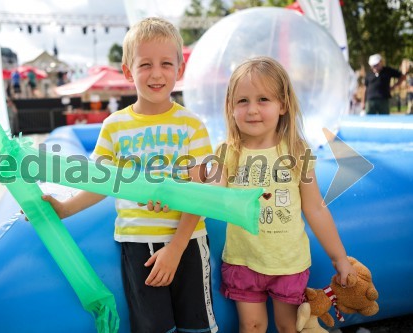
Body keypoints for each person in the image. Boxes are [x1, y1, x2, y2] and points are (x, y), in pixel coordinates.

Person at [40, 17, 218, 333]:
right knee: (153, 327)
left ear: (179, 70)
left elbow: (200, 191)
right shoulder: (114, 127)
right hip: (136, 242)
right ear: (127, 71)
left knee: (197, 326)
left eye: (166, 63)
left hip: (187, 241)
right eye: (145, 64)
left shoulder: (191, 125)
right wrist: (65, 208)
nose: (156, 73)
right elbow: (101, 181)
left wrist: (176, 247)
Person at [208, 57, 355, 333]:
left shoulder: (297, 152)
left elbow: (316, 209)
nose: (252, 110)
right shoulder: (227, 152)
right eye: (242, 101)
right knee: (251, 325)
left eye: (263, 99)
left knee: (289, 326)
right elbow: (213, 197)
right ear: (230, 107)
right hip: (243, 261)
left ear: (283, 105)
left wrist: (340, 258)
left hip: (288, 262)